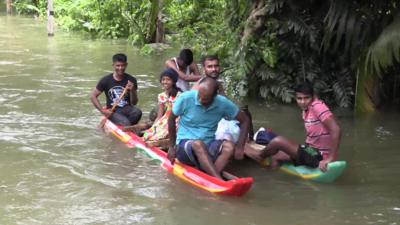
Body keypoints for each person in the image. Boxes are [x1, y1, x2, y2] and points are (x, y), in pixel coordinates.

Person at [245, 82, 342, 171]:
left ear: (313, 97)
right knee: (276, 156)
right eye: (299, 98)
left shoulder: (317, 106)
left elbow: (336, 129)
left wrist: (330, 158)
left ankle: (259, 155)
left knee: (278, 141)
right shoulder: (306, 109)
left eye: (306, 98)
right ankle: (273, 180)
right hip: (310, 150)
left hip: (319, 156)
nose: (303, 102)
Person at [167, 78, 250, 180]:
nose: (201, 100)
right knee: (198, 144)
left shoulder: (223, 103)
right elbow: (171, 119)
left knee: (229, 147)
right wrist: (171, 147)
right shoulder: (186, 98)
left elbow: (245, 120)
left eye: (205, 99)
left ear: (215, 96)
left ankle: (210, 177)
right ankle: (218, 180)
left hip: (208, 146)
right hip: (184, 147)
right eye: (199, 96)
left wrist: (240, 147)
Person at [90, 53, 142, 126]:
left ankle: (127, 127)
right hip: (113, 111)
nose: (120, 68)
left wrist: (132, 90)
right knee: (125, 122)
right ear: (113, 65)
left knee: (137, 112)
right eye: (118, 65)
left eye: (122, 65)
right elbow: (93, 96)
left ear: (126, 65)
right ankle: (127, 125)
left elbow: (134, 103)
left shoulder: (131, 80)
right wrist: (102, 111)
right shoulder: (106, 80)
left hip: (127, 108)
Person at [142, 68, 181, 142]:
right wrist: (154, 127)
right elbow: (159, 116)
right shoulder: (161, 96)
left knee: (159, 137)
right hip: (165, 120)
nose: (165, 82)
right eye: (163, 79)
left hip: (176, 121)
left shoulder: (179, 95)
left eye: (168, 79)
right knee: (147, 136)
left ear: (173, 81)